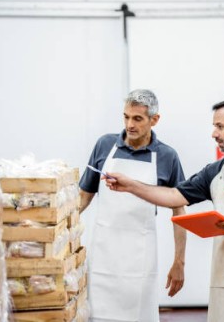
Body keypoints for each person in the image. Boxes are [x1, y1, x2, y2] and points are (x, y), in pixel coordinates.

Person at [105, 98, 224, 322]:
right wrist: (130, 185)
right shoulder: (215, 171)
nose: (214, 133)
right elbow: (174, 196)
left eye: (220, 126)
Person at [79, 89, 187, 322]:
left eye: (137, 118)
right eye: (126, 117)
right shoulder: (104, 145)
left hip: (140, 259)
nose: (129, 124)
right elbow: (84, 197)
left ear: (154, 120)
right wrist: (57, 230)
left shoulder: (167, 156)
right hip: (103, 257)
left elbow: (179, 211)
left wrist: (179, 261)